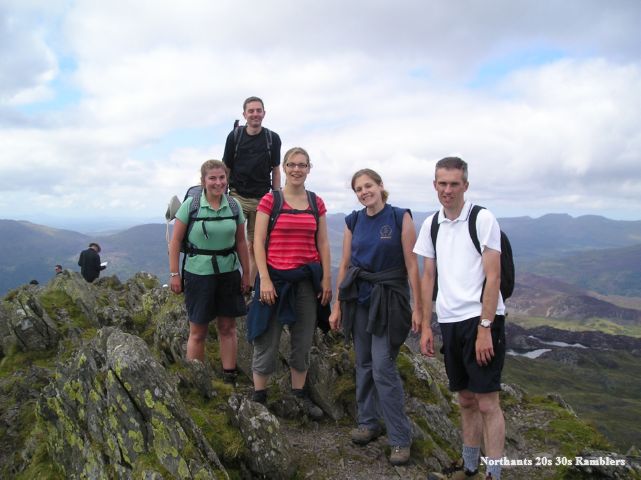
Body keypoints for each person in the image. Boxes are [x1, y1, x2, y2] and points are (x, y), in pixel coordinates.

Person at [414, 157, 506, 480]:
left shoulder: (482, 219)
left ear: (465, 185)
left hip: (481, 319)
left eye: (454, 184)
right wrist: (427, 326)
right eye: (442, 183)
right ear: (434, 185)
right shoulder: (431, 224)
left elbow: (493, 277)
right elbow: (429, 276)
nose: (448, 190)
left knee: (487, 403)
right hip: (450, 321)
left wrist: (485, 327)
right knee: (466, 399)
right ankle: (469, 468)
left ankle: (494, 474)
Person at [328, 168, 422, 466]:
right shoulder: (353, 221)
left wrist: (419, 307)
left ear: (381, 186)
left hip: (390, 300)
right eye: (358, 189)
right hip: (360, 299)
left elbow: (412, 265)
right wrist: (337, 305)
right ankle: (368, 422)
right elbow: (345, 264)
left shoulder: (399, 217)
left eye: (368, 186)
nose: (364, 192)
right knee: (364, 363)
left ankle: (400, 437)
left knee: (383, 366)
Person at [247, 147, 331, 420]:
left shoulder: (316, 202)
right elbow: (258, 242)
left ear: (309, 168)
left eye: (302, 165)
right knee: (266, 337)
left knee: (303, 339)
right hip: (274, 279)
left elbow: (323, 243)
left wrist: (326, 279)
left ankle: (298, 395)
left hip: (305, 281)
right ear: (284, 168)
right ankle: (260, 397)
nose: (297, 169)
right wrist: (264, 279)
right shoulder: (271, 200)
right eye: (292, 164)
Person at [169, 159, 251, 383]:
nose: (218, 182)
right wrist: (175, 274)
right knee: (198, 330)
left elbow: (241, 242)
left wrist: (246, 273)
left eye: (222, 177)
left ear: (227, 179)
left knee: (228, 327)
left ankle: (229, 376)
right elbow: (175, 241)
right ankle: (197, 379)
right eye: (212, 178)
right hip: (198, 274)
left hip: (228, 273)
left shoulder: (233, 205)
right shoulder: (191, 205)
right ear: (203, 181)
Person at [222, 96, 282, 286]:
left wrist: (277, 197)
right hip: (237, 196)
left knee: (256, 245)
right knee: (230, 241)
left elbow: (275, 169)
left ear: (264, 113)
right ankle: (229, 281)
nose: (255, 114)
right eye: (251, 111)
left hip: (262, 199)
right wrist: (222, 196)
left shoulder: (272, 139)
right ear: (244, 114)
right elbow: (226, 167)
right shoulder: (235, 137)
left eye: (258, 110)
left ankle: (247, 287)